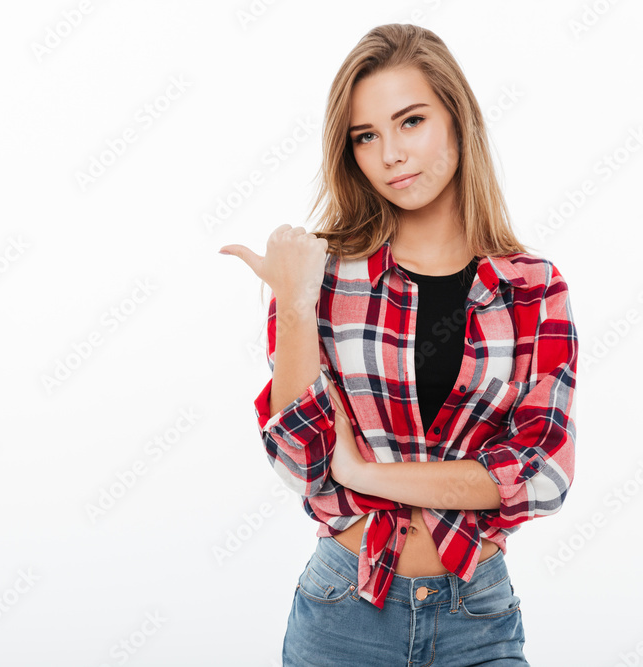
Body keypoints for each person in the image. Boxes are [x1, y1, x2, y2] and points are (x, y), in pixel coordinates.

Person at [219, 23, 578, 666]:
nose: (390, 154)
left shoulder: (532, 288)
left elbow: (542, 474)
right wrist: (298, 306)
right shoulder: (318, 274)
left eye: (410, 121)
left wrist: (365, 474)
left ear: (457, 120)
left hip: (479, 616)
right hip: (343, 615)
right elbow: (300, 463)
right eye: (366, 135)